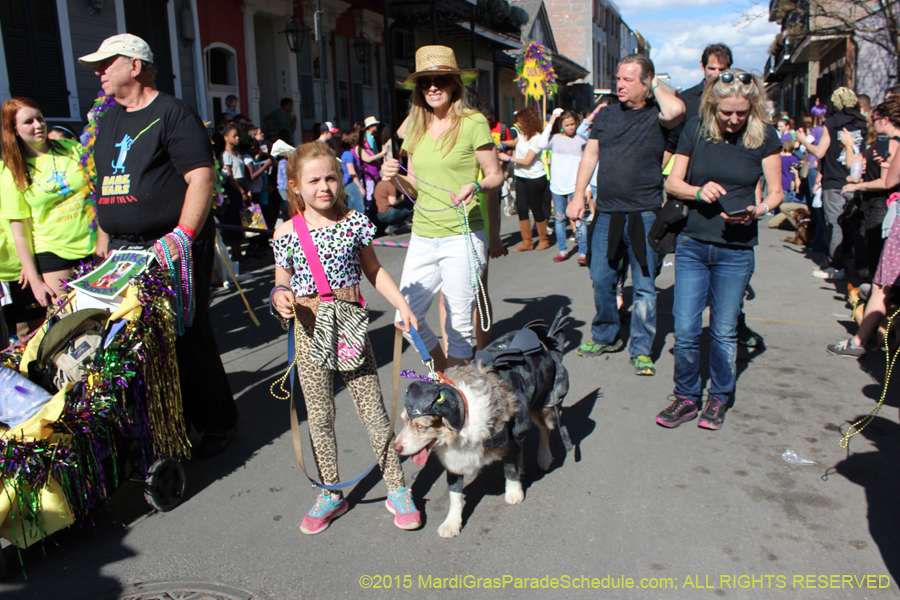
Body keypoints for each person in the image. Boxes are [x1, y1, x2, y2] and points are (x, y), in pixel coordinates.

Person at [79, 33, 238, 458]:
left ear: (134, 66)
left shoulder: (173, 113)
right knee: (131, 340)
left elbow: (200, 178)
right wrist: (103, 238)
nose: (99, 71)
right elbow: (105, 187)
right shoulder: (108, 120)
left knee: (186, 335)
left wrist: (183, 235)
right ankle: (164, 422)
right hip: (121, 248)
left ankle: (217, 421)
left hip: (169, 244)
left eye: (106, 63)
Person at [270, 141, 420, 535]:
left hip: (350, 326)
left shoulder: (353, 223)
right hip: (308, 330)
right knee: (319, 416)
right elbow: (281, 278)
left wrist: (401, 304)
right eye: (314, 180)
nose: (324, 186)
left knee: (373, 411)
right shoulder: (287, 231)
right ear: (295, 187)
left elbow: (374, 270)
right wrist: (279, 295)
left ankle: (396, 487)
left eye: (331, 177)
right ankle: (330, 492)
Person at [656, 69, 783, 430]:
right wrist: (697, 192)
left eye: (741, 113)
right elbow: (673, 182)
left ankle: (719, 398)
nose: (733, 119)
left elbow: (776, 192)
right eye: (727, 112)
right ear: (714, 105)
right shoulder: (696, 129)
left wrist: (760, 209)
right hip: (693, 243)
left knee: (724, 330)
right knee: (685, 328)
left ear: (752, 107)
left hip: (736, 249)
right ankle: (685, 397)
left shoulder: (764, 137)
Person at [381, 45, 503, 371]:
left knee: (460, 328)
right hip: (423, 235)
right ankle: (448, 379)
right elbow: (415, 188)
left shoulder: (473, 122)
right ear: (419, 89)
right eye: (425, 82)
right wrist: (395, 179)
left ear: (453, 83)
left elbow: (495, 175)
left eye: (440, 79)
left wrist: (475, 185)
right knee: (405, 320)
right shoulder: (416, 128)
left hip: (462, 235)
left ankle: (459, 402)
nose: (433, 87)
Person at [568, 54, 685, 377]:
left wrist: (655, 82)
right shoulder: (605, 115)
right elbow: (590, 156)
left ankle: (642, 349)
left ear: (647, 84)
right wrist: (578, 196)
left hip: (645, 213)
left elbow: (676, 110)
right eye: (619, 78)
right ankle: (605, 335)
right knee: (601, 278)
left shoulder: (659, 115)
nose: (619, 84)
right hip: (606, 212)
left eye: (628, 79)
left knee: (645, 286)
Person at [0, 98, 95, 306]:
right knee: (69, 321)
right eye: (28, 122)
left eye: (40, 118)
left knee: (106, 315)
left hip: (93, 244)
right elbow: (20, 233)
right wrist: (34, 281)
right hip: (52, 252)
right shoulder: (11, 173)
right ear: (14, 129)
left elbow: (97, 189)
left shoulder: (70, 148)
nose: (38, 125)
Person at [795, 87, 868, 280]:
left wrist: (803, 141)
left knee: (835, 224)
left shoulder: (832, 122)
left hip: (834, 180)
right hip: (858, 179)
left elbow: (819, 152)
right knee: (854, 224)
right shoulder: (863, 123)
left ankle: (835, 266)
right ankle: (859, 265)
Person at [537, 109, 589, 264]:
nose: (570, 127)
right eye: (566, 125)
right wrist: (551, 120)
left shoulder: (581, 139)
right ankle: (562, 250)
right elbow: (541, 144)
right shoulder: (554, 139)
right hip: (557, 186)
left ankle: (583, 252)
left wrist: (587, 187)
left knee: (578, 219)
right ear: (561, 125)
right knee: (559, 218)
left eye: (572, 123)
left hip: (576, 186)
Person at [499, 106, 550, 252]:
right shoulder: (522, 135)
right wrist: (500, 142)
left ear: (527, 122)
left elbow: (527, 161)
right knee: (521, 208)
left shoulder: (537, 138)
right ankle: (527, 242)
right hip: (521, 176)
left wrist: (507, 157)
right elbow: (514, 142)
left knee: (536, 208)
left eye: (520, 121)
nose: (518, 124)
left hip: (535, 177)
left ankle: (544, 239)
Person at [356, 116, 388, 207]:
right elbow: (370, 156)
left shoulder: (371, 137)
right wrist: (381, 155)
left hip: (373, 172)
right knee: (370, 196)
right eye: (375, 125)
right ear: (371, 126)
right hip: (369, 175)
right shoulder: (368, 138)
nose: (376, 126)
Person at [339, 129, 366, 214]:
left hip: (344, 183)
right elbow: (351, 172)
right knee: (360, 209)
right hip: (351, 183)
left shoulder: (342, 152)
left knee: (350, 209)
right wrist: (360, 187)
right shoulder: (349, 154)